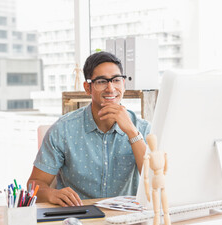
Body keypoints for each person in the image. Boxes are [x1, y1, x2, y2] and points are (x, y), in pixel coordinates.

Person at [27, 52, 151, 207]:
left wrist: (132, 133)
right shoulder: (63, 129)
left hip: (125, 218)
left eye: (116, 80)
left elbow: (155, 182)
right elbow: (34, 184)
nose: (110, 88)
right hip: (78, 216)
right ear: (88, 88)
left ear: (123, 84)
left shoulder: (143, 129)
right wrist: (52, 194)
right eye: (101, 81)